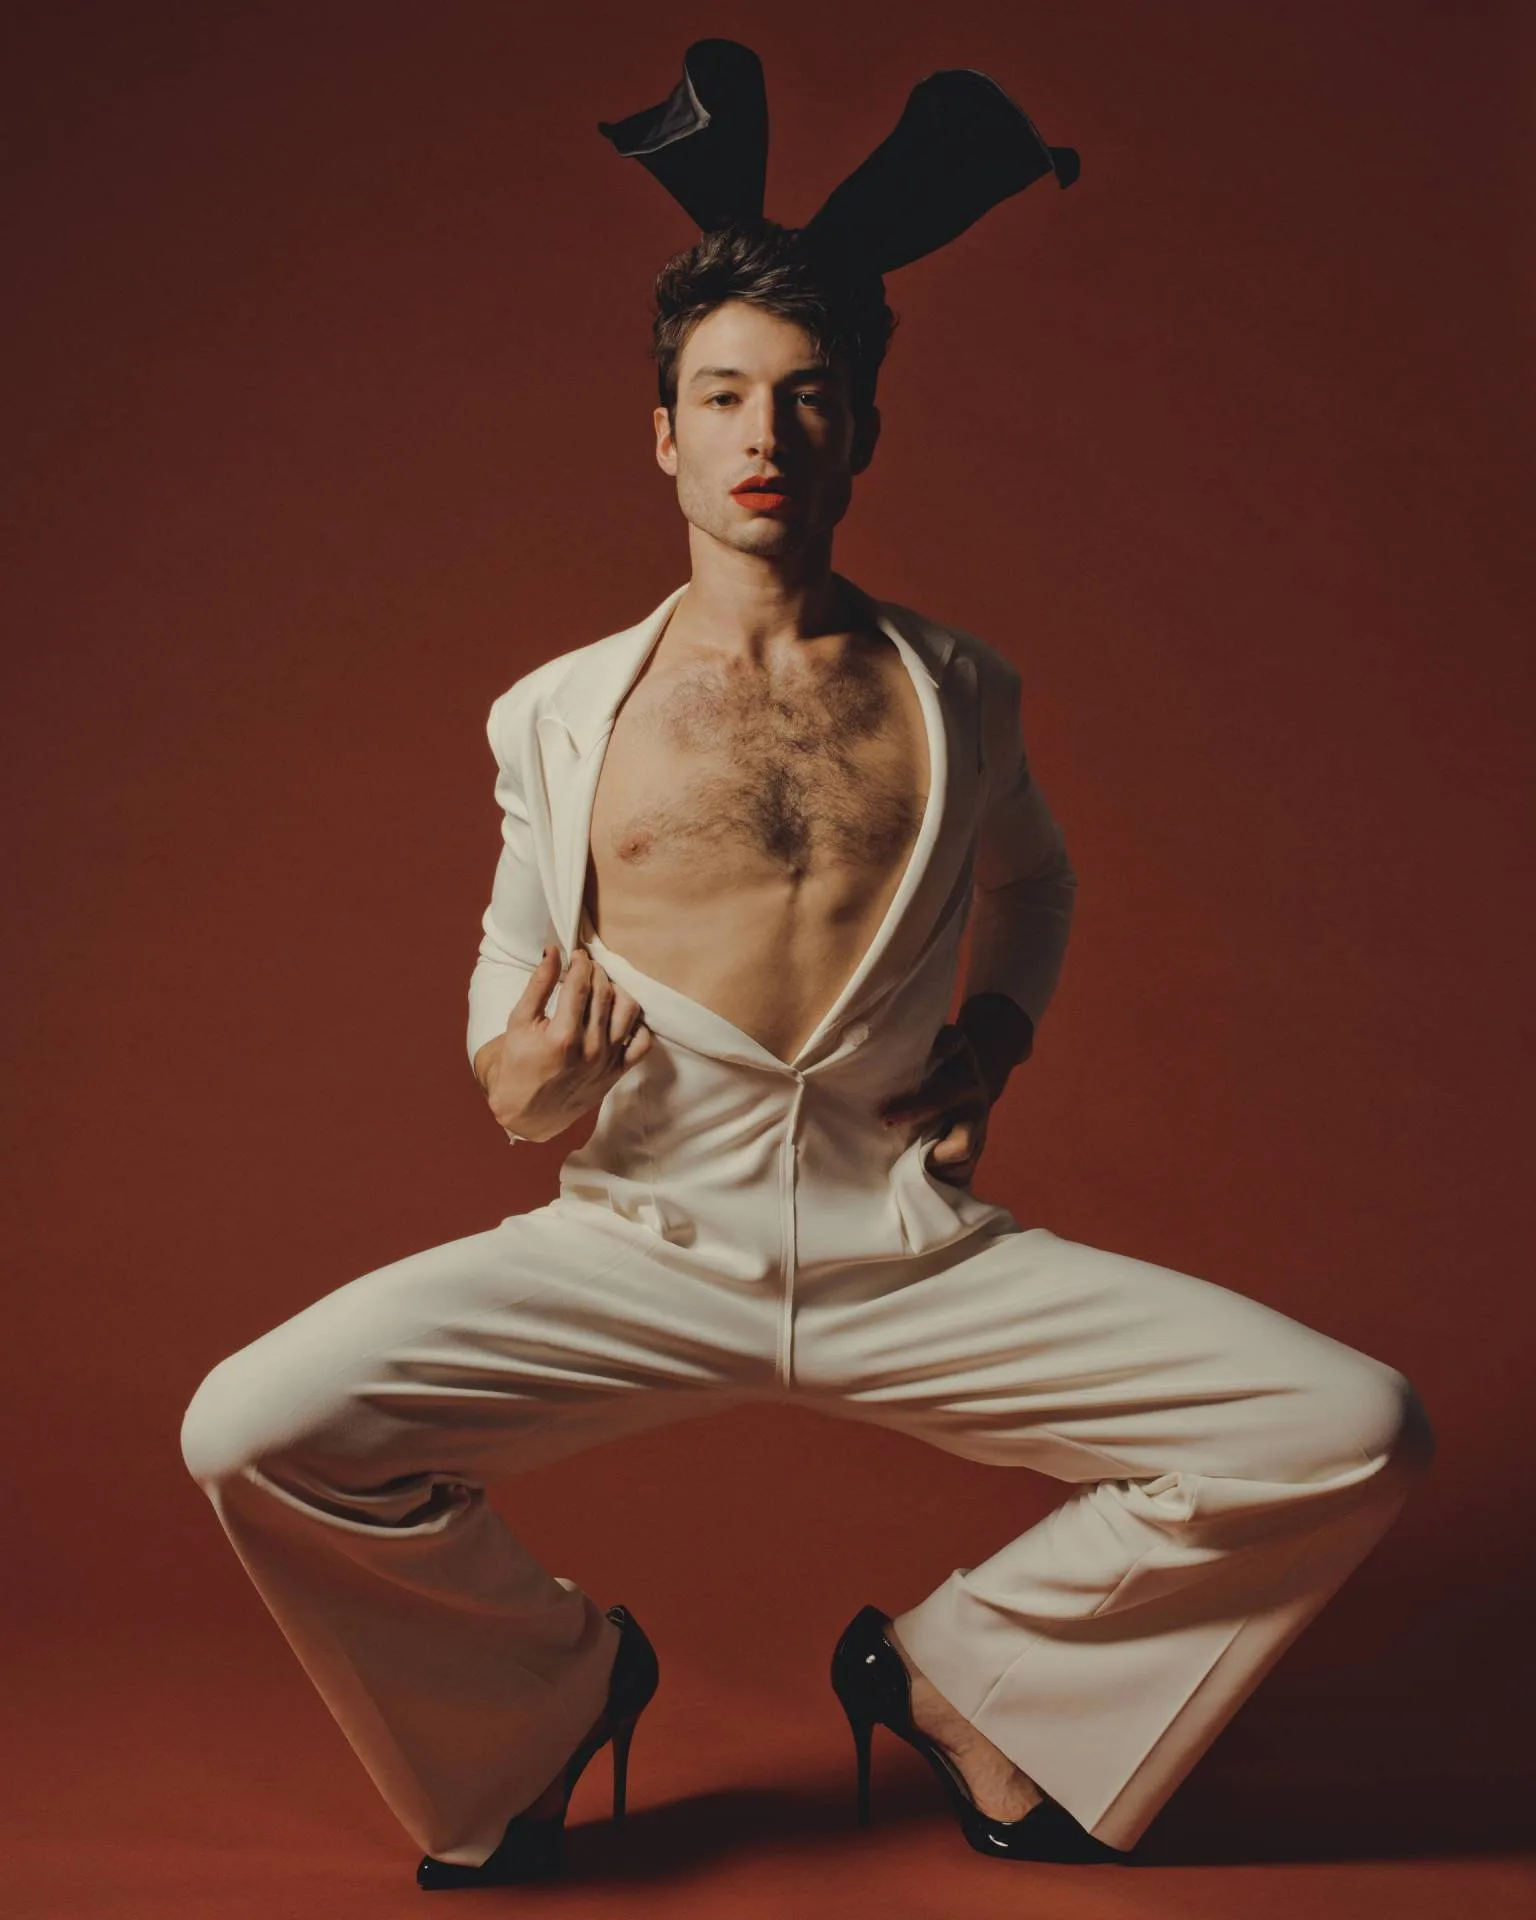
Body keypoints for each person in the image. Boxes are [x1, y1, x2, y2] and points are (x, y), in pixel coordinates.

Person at [180, 45, 1432, 1891]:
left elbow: (1038, 883)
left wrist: (998, 1031)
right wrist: (531, 1083)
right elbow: (507, 1039)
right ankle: (553, 1696)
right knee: (252, 1434)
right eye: (724, 395)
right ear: (664, 436)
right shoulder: (555, 713)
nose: (765, 433)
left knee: (1348, 1426)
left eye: (808, 396)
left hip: (899, 1244)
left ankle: (963, 1681)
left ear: (863, 433)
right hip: (636, 1247)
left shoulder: (962, 687)